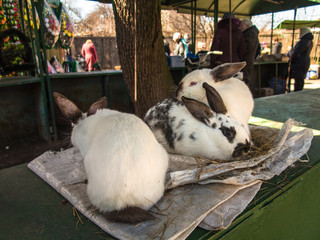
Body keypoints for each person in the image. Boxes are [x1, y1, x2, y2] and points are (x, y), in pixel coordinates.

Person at [289, 27, 314, 91]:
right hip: (306, 61)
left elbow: (297, 52)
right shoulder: (310, 42)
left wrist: (292, 59)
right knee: (301, 79)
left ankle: (297, 92)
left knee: (298, 79)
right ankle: (299, 91)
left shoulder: (303, 42)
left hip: (300, 62)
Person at [240, 19, 260, 85]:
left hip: (246, 60)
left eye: (242, 25)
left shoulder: (250, 33)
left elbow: (249, 46)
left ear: (247, 25)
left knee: (244, 78)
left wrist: (241, 51)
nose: (240, 27)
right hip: (248, 59)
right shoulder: (252, 33)